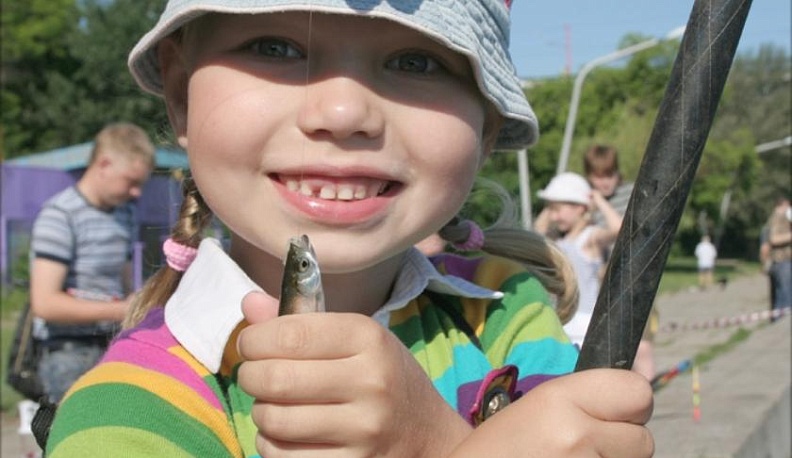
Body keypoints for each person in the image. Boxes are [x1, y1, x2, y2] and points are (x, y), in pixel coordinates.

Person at [45, 2, 654, 457]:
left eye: (417, 60)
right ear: (181, 95)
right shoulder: (125, 414)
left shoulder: (506, 308)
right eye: (274, 47)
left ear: (487, 124)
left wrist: (437, 438)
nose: (343, 114)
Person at [29, 122, 155, 403]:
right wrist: (121, 310)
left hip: (111, 343)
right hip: (68, 352)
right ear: (104, 164)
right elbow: (45, 303)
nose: (136, 193)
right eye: (131, 181)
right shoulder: (60, 215)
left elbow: (124, 282)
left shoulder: (124, 213)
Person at [583, 144, 657, 380]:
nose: (605, 182)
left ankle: (644, 390)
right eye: (598, 176)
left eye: (609, 175)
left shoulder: (631, 194)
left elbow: (632, 229)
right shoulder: (584, 201)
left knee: (641, 346)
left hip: (632, 277)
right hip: (596, 286)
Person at [534, 172, 623, 348]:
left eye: (558, 210)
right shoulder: (557, 240)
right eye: (550, 210)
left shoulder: (589, 238)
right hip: (563, 321)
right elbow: (538, 229)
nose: (553, 217)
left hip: (585, 323)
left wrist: (597, 200)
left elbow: (618, 229)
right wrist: (553, 202)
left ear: (580, 208)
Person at [765, 196, 792, 319]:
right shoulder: (777, 218)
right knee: (786, 297)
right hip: (781, 262)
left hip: (782, 262)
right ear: (781, 205)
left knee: (781, 296)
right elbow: (774, 239)